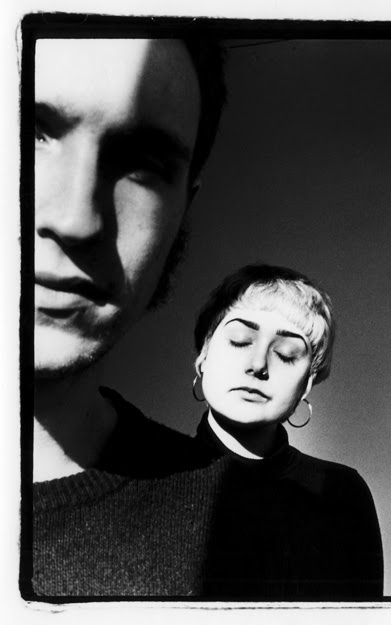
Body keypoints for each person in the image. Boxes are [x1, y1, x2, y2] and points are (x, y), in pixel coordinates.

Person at [30, 38, 227, 596]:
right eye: (26, 132)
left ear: (183, 212)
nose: (78, 219)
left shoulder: (250, 533)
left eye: (143, 165)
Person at [189, 264, 384, 598]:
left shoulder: (340, 495)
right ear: (204, 355)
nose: (258, 364)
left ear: (307, 383)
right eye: (240, 341)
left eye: (286, 354)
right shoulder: (149, 480)